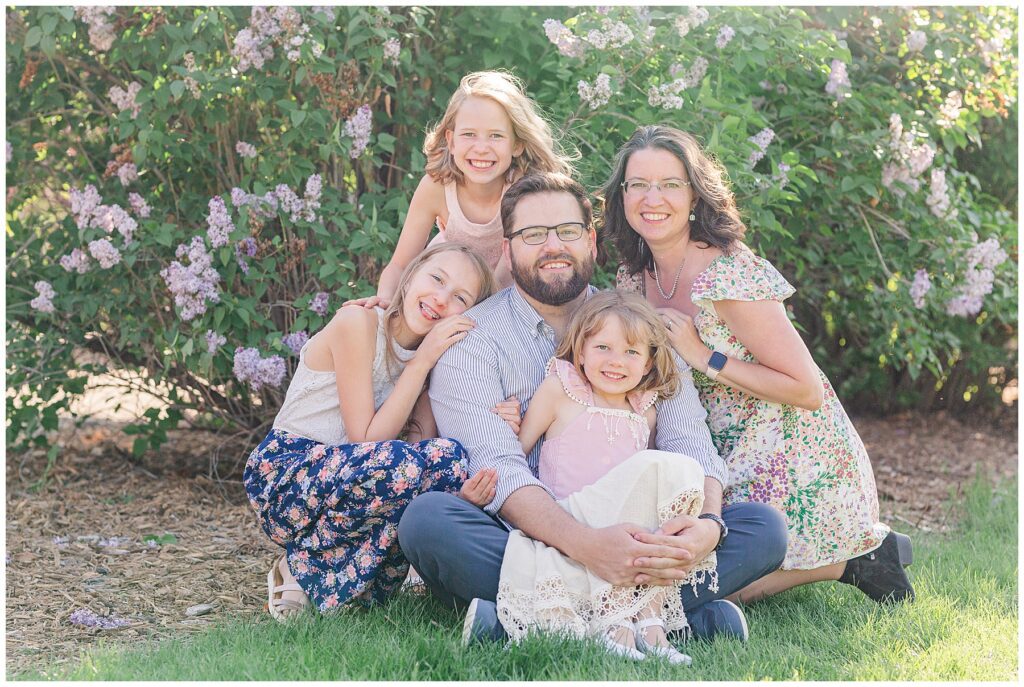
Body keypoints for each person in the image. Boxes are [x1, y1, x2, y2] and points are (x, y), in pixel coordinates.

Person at [398, 172, 789, 648]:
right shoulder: (472, 340)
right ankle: (672, 618)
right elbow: (500, 469)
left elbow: (691, 444)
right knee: (429, 521)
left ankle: (524, 618)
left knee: (763, 528)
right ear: (508, 249)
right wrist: (588, 546)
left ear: (591, 241)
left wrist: (707, 526)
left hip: (640, 530)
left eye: (566, 231)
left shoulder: (639, 326)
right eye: (533, 234)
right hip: (532, 538)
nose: (552, 246)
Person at [605, 125, 914, 604]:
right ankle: (858, 557)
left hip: (788, 452)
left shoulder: (727, 274)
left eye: (670, 184)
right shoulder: (632, 276)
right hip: (707, 450)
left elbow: (807, 389)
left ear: (694, 196)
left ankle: (857, 559)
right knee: (686, 572)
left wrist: (702, 354)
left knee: (714, 594)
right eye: (638, 184)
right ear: (621, 195)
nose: (653, 197)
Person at [243, 243, 497, 620]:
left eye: (460, 297)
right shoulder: (358, 323)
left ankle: (348, 576)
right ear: (410, 277)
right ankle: (296, 568)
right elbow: (366, 440)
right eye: (436, 279)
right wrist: (424, 360)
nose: (441, 299)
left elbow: (419, 449)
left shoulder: (438, 356)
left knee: (449, 459)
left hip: (351, 481)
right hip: (285, 476)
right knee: (403, 464)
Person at [494, 291, 715, 664]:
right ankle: (616, 626)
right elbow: (518, 452)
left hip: (626, 528)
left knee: (677, 477)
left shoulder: (644, 407)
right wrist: (508, 423)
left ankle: (651, 624)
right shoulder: (561, 391)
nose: (616, 362)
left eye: (631, 352)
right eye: (603, 348)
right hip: (571, 520)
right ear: (580, 352)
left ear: (648, 364)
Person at [366, 70, 574, 307]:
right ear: (452, 141)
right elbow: (400, 264)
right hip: (445, 292)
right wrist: (384, 302)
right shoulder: (436, 187)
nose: (482, 148)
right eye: (469, 134)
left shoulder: (524, 193)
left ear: (517, 145)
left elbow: (498, 286)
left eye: (496, 135)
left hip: (504, 300)